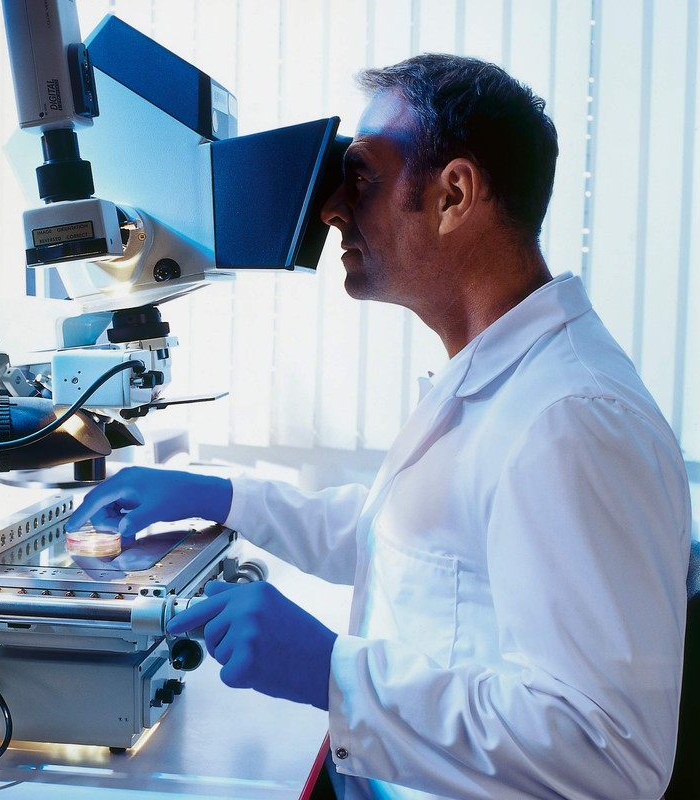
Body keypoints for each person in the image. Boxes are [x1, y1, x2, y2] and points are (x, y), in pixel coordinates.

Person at [66, 54, 692, 799]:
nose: (331, 209)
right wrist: (225, 497)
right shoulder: (498, 377)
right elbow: (410, 546)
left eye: (360, 174)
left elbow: (611, 758)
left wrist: (334, 673)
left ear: (453, 194)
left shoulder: (570, 421)